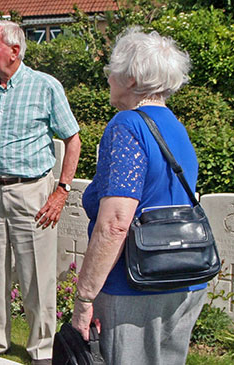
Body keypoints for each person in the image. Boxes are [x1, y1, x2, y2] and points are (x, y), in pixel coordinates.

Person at [72, 27, 205, 365]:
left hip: (134, 285)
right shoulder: (174, 125)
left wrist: (84, 298)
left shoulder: (127, 125)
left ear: (130, 79)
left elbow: (116, 223)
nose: (108, 79)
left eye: (111, 71)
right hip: (182, 279)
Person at [0, 20, 81, 363]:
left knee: (36, 277)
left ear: (15, 50)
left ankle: (41, 350)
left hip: (31, 193)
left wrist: (61, 191)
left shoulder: (46, 87)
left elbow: (72, 139)